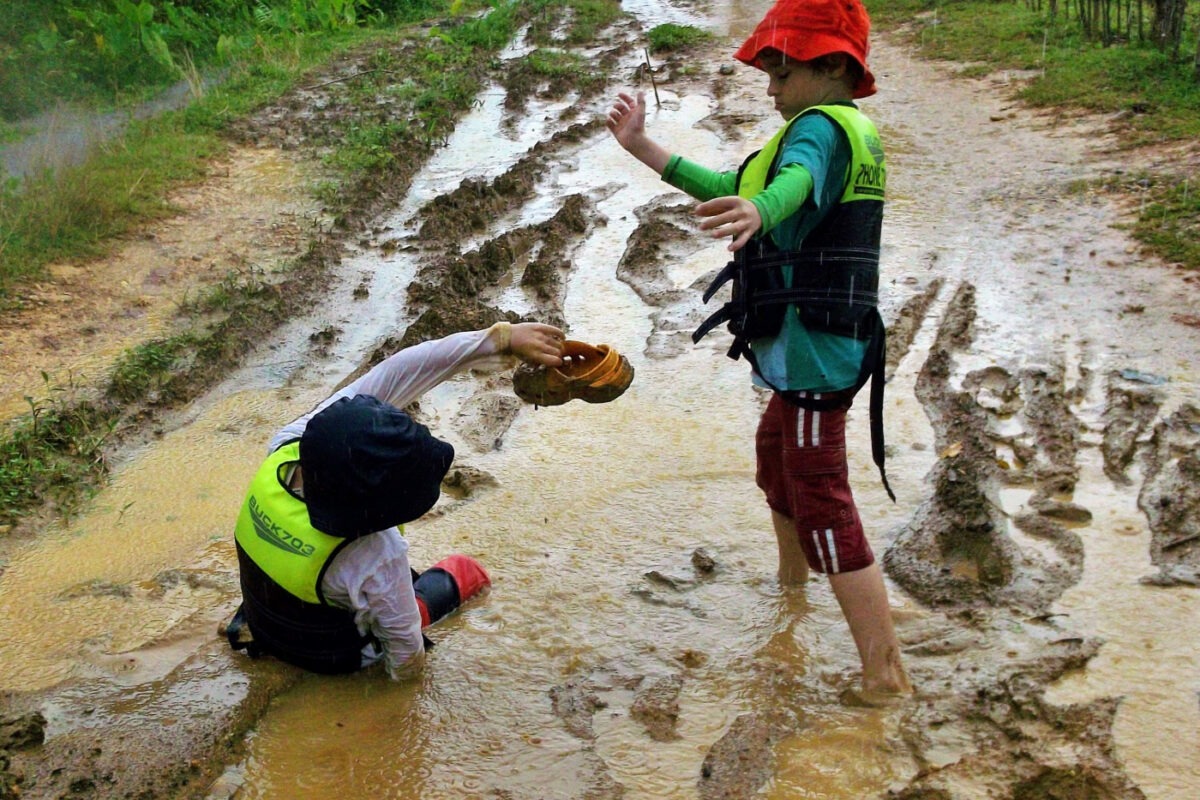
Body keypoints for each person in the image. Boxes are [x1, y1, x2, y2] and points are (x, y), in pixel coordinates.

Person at [606, 0, 910, 696]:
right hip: (809, 346)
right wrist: (642, 147)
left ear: (832, 65)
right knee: (776, 458)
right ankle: (791, 585)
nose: (770, 86)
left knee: (822, 494)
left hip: (816, 352)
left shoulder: (820, 131)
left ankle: (883, 672)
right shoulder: (833, 131)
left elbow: (790, 185)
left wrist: (763, 211)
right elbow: (727, 187)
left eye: (782, 70)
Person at [225, 321, 565, 678]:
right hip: (333, 659)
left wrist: (501, 340)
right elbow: (405, 655)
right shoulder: (375, 554)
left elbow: (399, 371)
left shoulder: (288, 446)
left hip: (266, 622)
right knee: (464, 571)